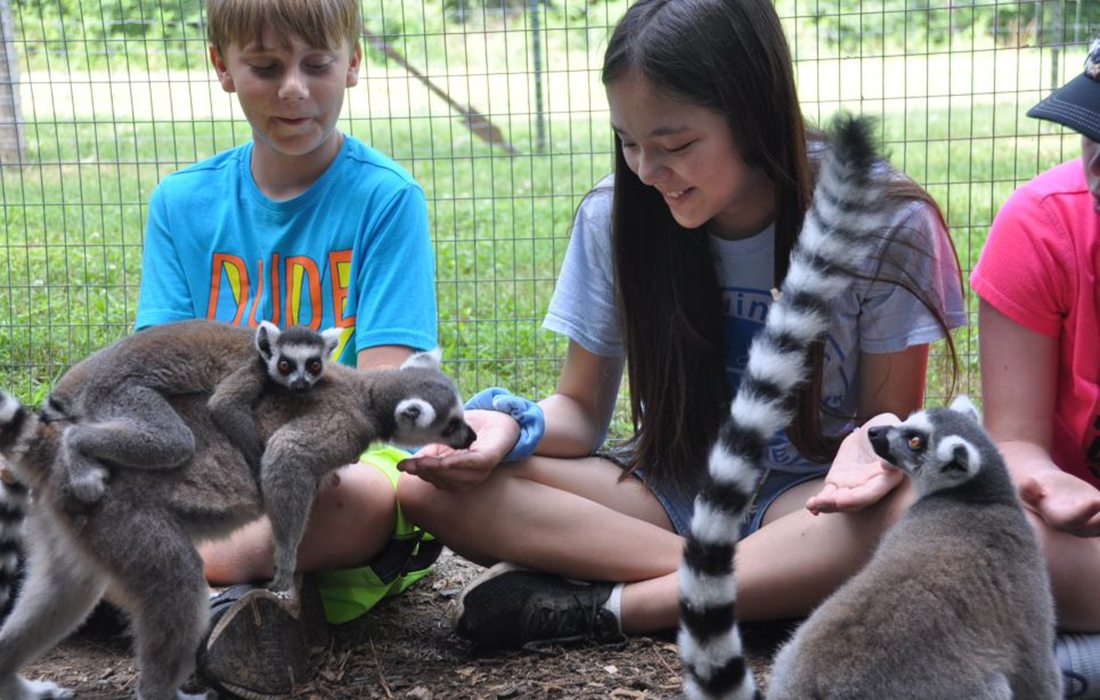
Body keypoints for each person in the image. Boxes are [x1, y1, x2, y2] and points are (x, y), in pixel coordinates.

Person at [396, 0, 965, 650]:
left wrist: (877, 454)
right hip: (672, 496)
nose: (646, 170)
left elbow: (883, 433)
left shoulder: (885, 222)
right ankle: (768, 587)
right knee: (430, 490)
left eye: (676, 145)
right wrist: (507, 426)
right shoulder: (615, 219)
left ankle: (615, 606)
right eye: (629, 141)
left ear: (754, 114)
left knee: (912, 509)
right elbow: (580, 411)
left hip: (811, 502)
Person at [133, 0, 439, 696]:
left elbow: (383, 396)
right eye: (266, 67)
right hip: (216, 459)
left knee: (352, 497)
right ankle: (212, 595)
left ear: (353, 63)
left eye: (317, 64)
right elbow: (164, 377)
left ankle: (149, 578)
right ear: (223, 67)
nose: (294, 89)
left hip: (338, 464)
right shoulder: (182, 203)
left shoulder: (386, 200)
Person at [971, 31, 1100, 699]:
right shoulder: (1042, 225)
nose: (1098, 168)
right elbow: (1014, 439)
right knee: (976, 529)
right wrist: (1047, 480)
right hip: (1072, 543)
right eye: (1091, 136)